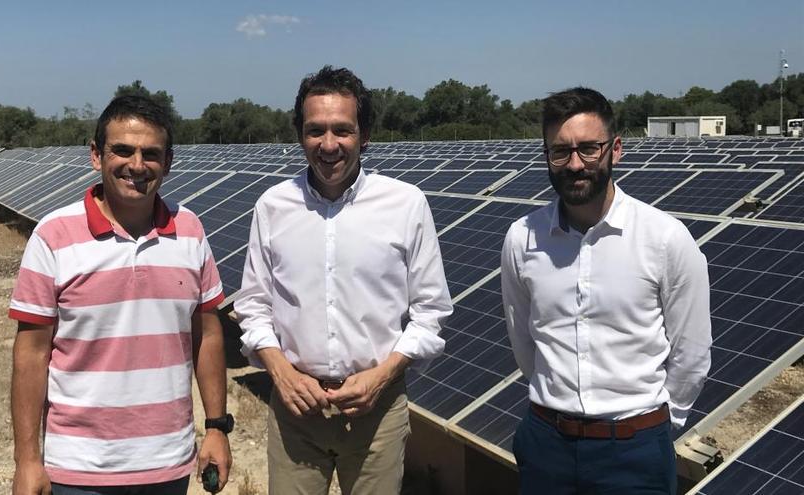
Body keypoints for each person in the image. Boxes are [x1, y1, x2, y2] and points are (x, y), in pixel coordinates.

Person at [234, 66, 452, 494]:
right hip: (296, 410)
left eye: (342, 130)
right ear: (300, 134)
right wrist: (280, 372)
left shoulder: (406, 204)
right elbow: (254, 305)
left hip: (378, 411)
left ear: (364, 134)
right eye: (315, 130)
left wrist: (382, 376)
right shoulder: (273, 206)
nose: (329, 145)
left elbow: (431, 312)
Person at [9, 95, 232, 494]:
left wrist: (216, 427)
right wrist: (27, 459)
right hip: (78, 468)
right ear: (96, 155)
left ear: (168, 161)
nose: (136, 165)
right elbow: (31, 353)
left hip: (168, 464)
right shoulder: (52, 236)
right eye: (122, 151)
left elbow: (209, 335)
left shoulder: (191, 229)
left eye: (151, 153)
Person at [501, 87, 711, 494]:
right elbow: (523, 340)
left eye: (588, 149)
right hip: (547, 445)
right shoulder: (522, 238)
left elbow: (692, 351)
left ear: (615, 149)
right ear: (546, 155)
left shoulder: (665, 238)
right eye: (560, 151)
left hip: (636, 450)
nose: (575, 163)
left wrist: (660, 425)